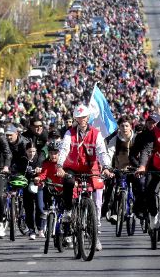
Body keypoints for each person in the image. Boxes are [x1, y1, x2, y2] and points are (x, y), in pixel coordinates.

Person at [56, 104, 113, 251]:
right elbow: (64, 149)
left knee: (94, 198)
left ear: (88, 118)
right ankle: (69, 210)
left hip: (90, 167)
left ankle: (94, 234)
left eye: (84, 117)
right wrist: (59, 166)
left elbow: (101, 151)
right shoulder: (69, 133)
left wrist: (106, 167)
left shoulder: (96, 133)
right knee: (68, 182)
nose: (82, 119)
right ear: (75, 118)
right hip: (72, 167)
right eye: (79, 117)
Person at [104, 115, 144, 223]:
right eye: (122, 126)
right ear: (119, 127)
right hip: (120, 169)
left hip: (134, 169)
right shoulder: (115, 139)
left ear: (131, 127)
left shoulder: (136, 138)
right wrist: (107, 167)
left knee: (140, 186)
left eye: (127, 125)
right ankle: (114, 212)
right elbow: (109, 153)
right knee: (117, 188)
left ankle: (139, 209)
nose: (124, 128)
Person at [17, 145, 44, 240]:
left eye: (33, 151)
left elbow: (44, 170)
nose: (31, 153)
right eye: (29, 151)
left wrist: (39, 171)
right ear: (26, 151)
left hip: (38, 186)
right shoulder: (23, 160)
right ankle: (32, 230)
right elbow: (18, 171)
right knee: (29, 209)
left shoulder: (39, 159)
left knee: (40, 207)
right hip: (27, 186)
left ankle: (40, 228)